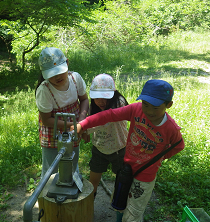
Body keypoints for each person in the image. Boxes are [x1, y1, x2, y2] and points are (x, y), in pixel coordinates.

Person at [72, 79, 185, 222]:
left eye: (155, 108)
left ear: (168, 105)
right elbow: (109, 115)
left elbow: (179, 145)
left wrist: (159, 158)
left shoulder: (170, 128)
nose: (149, 111)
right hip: (126, 167)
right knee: (119, 201)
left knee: (133, 213)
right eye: (146, 105)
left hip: (145, 175)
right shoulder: (136, 110)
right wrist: (83, 124)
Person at [35, 47, 89, 178]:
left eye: (59, 72)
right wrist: (72, 125)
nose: (57, 76)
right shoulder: (44, 90)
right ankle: (47, 193)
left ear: (67, 63)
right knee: (51, 168)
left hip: (74, 127)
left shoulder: (75, 78)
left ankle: (71, 183)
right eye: (51, 74)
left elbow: (84, 99)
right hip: (53, 130)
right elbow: (47, 120)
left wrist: (82, 121)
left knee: (72, 159)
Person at [85, 73, 129, 199]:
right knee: (93, 181)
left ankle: (119, 206)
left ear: (113, 93)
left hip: (119, 149)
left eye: (105, 97)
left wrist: (84, 129)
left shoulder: (119, 103)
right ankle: (89, 207)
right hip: (99, 148)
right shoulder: (94, 106)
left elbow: (104, 122)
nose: (100, 101)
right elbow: (90, 119)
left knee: (121, 181)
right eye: (96, 98)